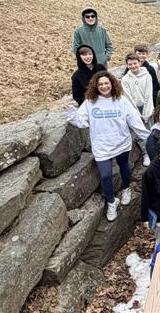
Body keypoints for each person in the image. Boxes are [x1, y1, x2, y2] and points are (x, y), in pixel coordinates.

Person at [66, 71, 149, 222]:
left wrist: (148, 137)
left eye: (106, 83)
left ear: (112, 84)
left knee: (124, 166)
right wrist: (72, 114)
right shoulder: (90, 102)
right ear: (96, 86)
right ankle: (111, 202)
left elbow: (134, 120)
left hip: (121, 142)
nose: (104, 86)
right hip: (101, 145)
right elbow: (81, 122)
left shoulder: (121, 100)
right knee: (105, 175)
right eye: (100, 84)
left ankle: (126, 189)